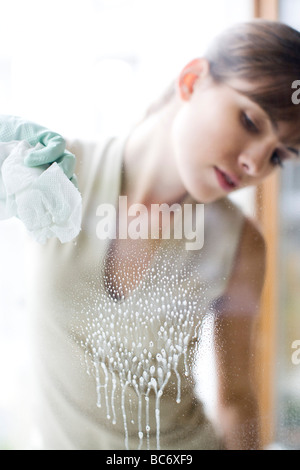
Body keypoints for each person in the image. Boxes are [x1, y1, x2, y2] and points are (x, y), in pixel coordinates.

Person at [1, 19, 300, 451]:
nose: (256, 163)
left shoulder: (243, 245)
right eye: (251, 121)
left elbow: (237, 399)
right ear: (193, 80)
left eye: (278, 155)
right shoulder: (57, 176)